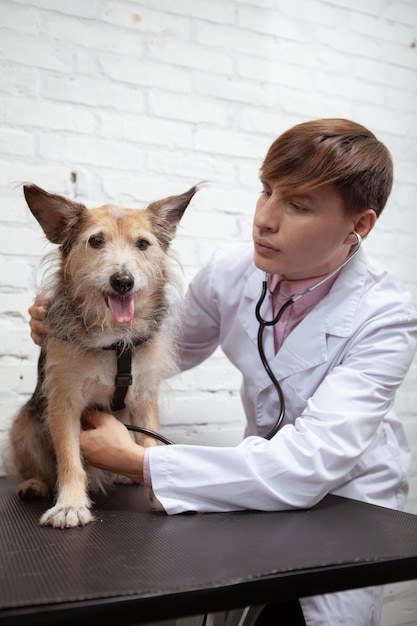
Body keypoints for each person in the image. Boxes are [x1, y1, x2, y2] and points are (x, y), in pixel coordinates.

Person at [28, 119, 417, 626]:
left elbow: (309, 464)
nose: (265, 219)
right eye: (266, 191)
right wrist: (73, 327)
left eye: (297, 205)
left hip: (346, 500)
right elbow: (158, 355)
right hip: (248, 484)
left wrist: (138, 463)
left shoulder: (387, 314)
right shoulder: (231, 270)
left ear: (358, 227)